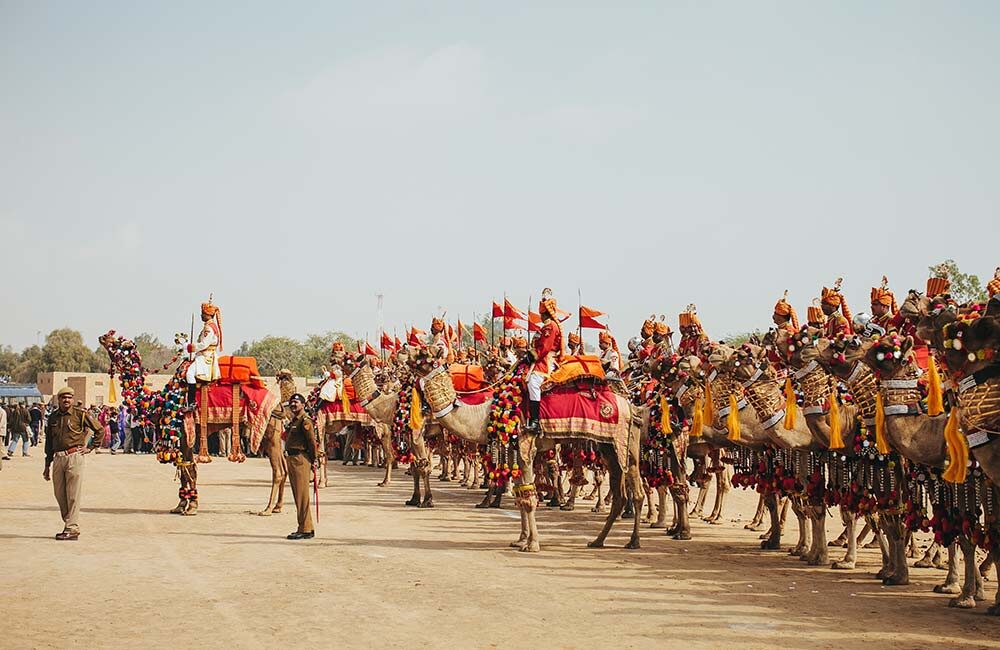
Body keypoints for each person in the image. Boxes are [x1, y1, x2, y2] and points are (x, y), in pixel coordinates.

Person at [44, 386, 103, 540]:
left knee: (73, 494)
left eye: (69, 397)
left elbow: (100, 430)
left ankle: (72, 527)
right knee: (59, 494)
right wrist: (46, 465)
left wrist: (90, 447)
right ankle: (69, 522)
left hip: (74, 457)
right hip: (58, 458)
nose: (66, 400)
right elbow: (49, 443)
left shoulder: (80, 414)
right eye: (63, 397)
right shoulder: (53, 417)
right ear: (58, 399)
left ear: (72, 399)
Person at [525, 288, 563, 433]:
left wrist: (531, 356)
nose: (540, 316)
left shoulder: (551, 327)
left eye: (541, 313)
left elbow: (545, 347)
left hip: (545, 361)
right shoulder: (546, 326)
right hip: (540, 359)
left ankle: (536, 422)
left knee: (533, 382)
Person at [284, 393, 317, 540]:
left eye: (296, 402)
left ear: (303, 405)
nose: (293, 405)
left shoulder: (305, 421)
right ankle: (304, 527)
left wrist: (314, 460)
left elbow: (312, 442)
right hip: (292, 458)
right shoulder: (295, 420)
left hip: (300, 459)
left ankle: (305, 529)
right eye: (291, 402)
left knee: (302, 495)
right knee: (298, 495)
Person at [185, 299, 223, 408]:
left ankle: (191, 402)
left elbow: (203, 345)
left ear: (208, 315)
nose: (201, 316)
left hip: (205, 358)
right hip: (202, 355)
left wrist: (190, 347)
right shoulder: (209, 326)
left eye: (203, 314)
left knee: (189, 373)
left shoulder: (209, 328)